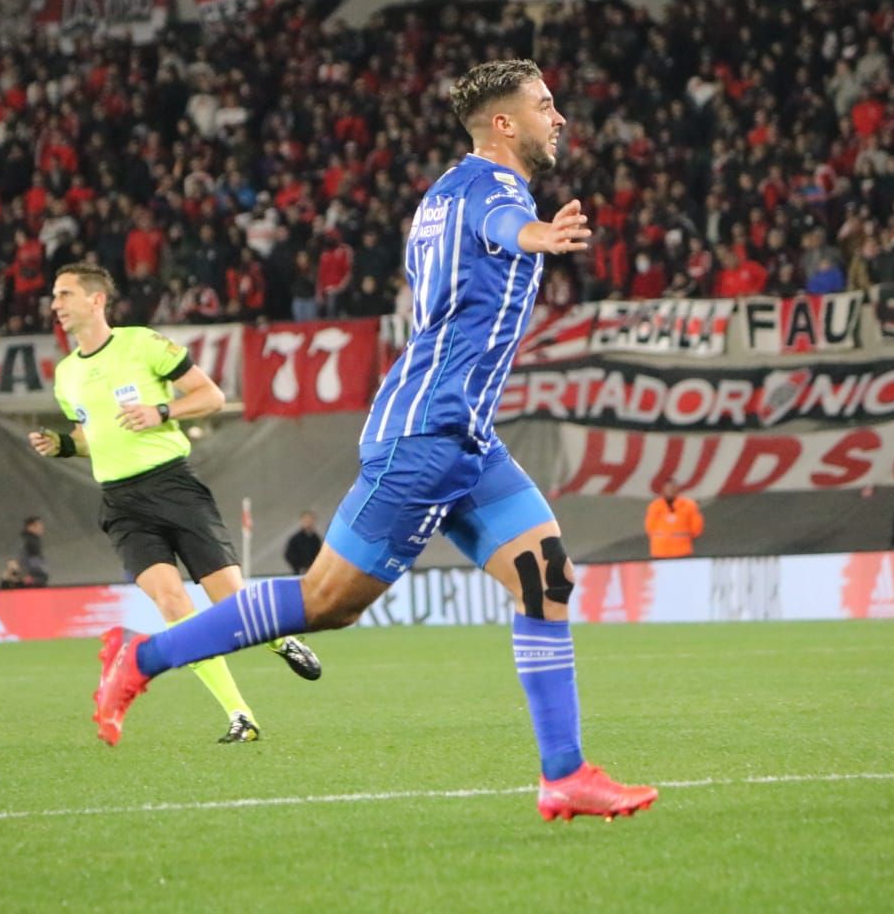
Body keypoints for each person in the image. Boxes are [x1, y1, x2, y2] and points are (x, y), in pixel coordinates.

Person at [91, 60, 657, 821]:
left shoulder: (446, 193)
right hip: (426, 434)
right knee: (327, 602)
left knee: (545, 578)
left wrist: (529, 233)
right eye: (544, 106)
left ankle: (565, 775)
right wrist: (539, 236)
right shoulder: (492, 192)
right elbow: (500, 228)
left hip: (464, 436)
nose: (558, 118)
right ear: (503, 123)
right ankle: (140, 656)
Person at [30, 262, 321, 745]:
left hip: (173, 488)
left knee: (229, 600)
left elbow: (210, 395)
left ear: (96, 300)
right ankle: (240, 714)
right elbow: (90, 437)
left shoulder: (142, 344)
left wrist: (161, 411)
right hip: (121, 503)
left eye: (64, 294)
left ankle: (279, 638)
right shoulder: (66, 376)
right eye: (54, 296)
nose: (55, 304)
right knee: (172, 605)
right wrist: (62, 445)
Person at [643, 481, 703, 559]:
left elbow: (696, 527)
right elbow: (649, 527)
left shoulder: (689, 505)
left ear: (678, 490)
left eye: (672, 488)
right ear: (663, 490)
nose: (670, 491)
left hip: (682, 551)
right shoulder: (655, 505)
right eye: (668, 488)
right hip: (659, 551)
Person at [283, 510, 323, 575]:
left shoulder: (316, 539)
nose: (309, 522)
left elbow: (319, 555)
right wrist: (299, 567)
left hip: (314, 572)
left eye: (310, 520)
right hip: (300, 572)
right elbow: (289, 555)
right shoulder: (295, 539)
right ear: (302, 521)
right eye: (306, 520)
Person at [18, 515, 49, 586]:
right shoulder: (27, 541)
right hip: (32, 579)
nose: (41, 528)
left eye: (41, 525)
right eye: (38, 525)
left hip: (35, 577)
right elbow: (20, 559)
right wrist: (25, 575)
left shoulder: (33, 540)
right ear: (30, 527)